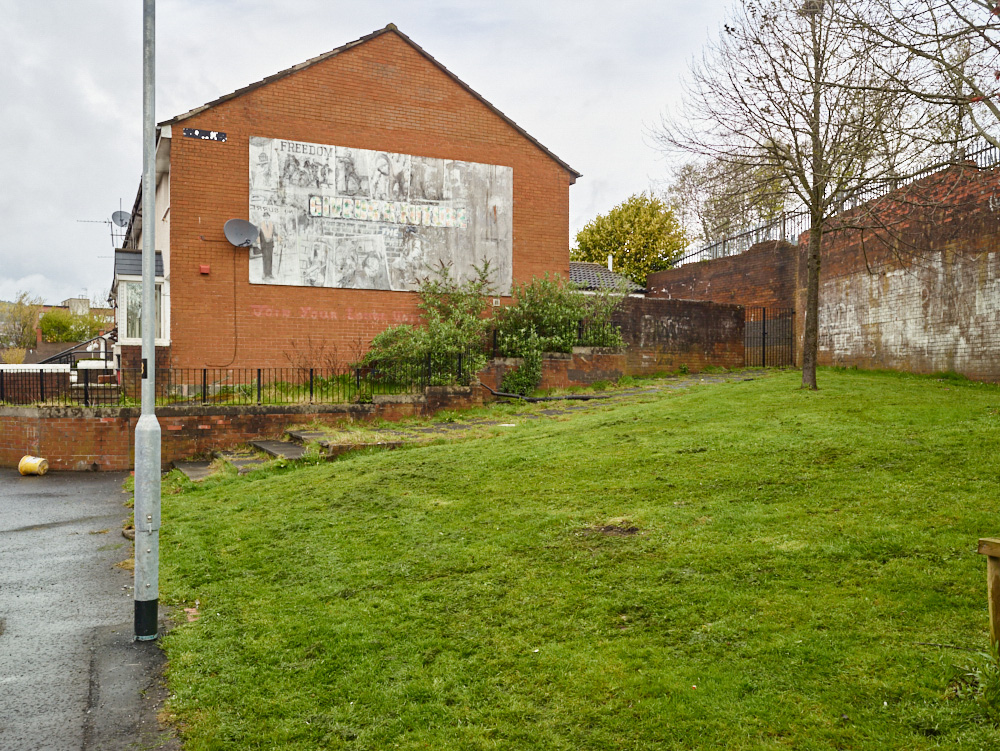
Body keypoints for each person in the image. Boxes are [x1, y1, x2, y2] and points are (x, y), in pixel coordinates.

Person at [259, 213, 277, 281]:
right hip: (264, 244)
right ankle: (265, 274)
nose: (266, 218)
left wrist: (279, 236)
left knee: (270, 258)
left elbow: (274, 233)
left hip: (270, 244)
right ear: (263, 217)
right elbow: (258, 235)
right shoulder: (261, 224)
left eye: (267, 217)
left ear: (269, 217)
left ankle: (270, 273)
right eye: (265, 217)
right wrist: (258, 244)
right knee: (265, 258)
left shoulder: (272, 224)